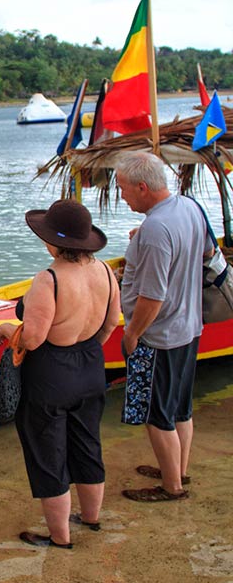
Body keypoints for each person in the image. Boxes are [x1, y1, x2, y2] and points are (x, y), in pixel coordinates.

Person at [0, 199, 120, 548]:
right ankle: (91, 519)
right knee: (88, 445)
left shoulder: (49, 279)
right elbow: (110, 324)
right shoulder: (106, 272)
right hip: (91, 366)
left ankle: (60, 537)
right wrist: (85, 348)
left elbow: (32, 338)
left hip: (50, 374)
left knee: (48, 454)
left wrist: (6, 327)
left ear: (52, 242)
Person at [116, 152, 210, 502]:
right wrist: (146, 237)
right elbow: (203, 252)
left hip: (159, 335)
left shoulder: (157, 229)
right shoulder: (188, 207)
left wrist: (132, 333)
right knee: (180, 408)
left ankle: (171, 488)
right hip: (188, 326)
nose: (122, 195)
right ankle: (178, 470)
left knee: (157, 416)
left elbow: (152, 297)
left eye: (124, 189)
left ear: (143, 187)